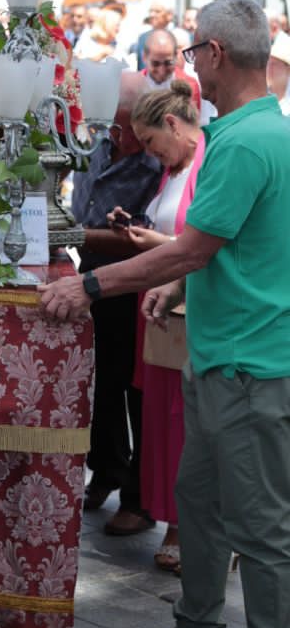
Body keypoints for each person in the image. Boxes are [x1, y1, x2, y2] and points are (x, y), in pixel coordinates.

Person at [41, 0, 290, 628]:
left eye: (191, 52)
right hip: (230, 356)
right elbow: (226, 247)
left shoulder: (244, 141)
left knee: (262, 527)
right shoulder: (256, 130)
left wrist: (91, 285)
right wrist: (178, 282)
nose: (186, 64)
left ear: (214, 54)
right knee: (204, 512)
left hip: (252, 363)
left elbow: (193, 247)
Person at [71, 72, 162, 531]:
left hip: (138, 284)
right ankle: (106, 468)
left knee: (136, 392)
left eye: (129, 128)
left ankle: (139, 499)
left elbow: (152, 239)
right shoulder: (96, 140)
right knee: (99, 384)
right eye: (114, 127)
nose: (121, 138)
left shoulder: (155, 158)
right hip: (92, 273)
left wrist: (81, 234)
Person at [125, 81, 206, 571]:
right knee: (161, 416)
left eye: (152, 142)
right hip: (159, 307)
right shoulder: (175, 168)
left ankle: (185, 526)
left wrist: (154, 240)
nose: (151, 154)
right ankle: (174, 518)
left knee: (182, 418)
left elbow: (194, 242)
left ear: (173, 125)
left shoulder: (206, 165)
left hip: (185, 310)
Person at [267, 29, 290, 117]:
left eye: (275, 64)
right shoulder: (259, 94)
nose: (269, 67)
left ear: (288, 69)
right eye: (268, 63)